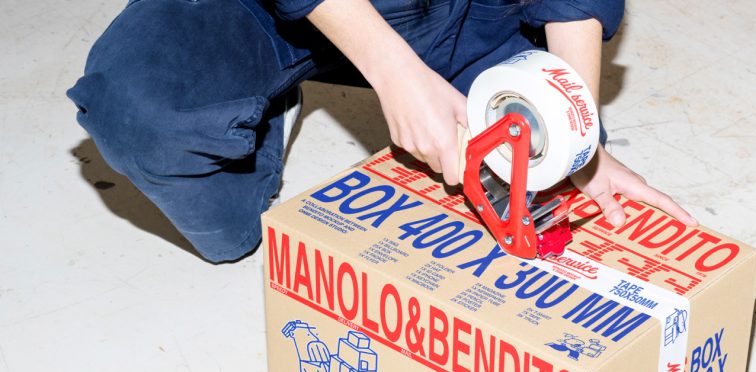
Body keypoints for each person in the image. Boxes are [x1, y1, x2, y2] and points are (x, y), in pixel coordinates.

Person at [67, 0, 697, 263]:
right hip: (265, 12)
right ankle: (265, 91)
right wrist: (394, 72)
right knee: (141, 115)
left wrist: (576, 137)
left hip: (469, 19)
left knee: (528, 160)